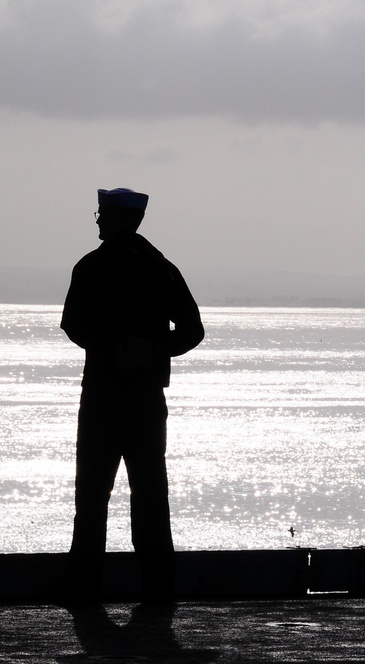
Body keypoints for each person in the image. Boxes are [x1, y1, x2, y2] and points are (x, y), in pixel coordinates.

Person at [59, 188, 205, 602]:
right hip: (143, 398)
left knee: (91, 495)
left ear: (115, 217)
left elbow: (72, 324)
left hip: (103, 397)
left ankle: (83, 586)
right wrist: (152, 350)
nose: (97, 219)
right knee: (150, 495)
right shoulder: (161, 268)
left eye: (101, 213)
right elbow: (192, 330)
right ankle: (160, 587)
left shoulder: (91, 266)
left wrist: (111, 348)